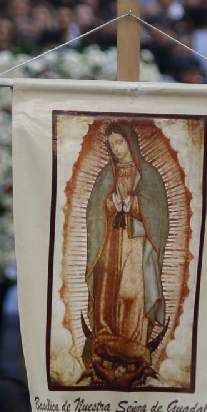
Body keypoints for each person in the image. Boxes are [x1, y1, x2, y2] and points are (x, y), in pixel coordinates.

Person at [84, 123, 169, 387]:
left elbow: (159, 213)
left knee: (131, 293)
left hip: (136, 243)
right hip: (110, 242)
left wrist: (134, 205)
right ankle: (106, 339)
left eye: (119, 143)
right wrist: (110, 204)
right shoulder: (106, 174)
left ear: (130, 143)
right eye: (111, 145)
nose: (115, 149)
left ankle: (132, 344)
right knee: (108, 291)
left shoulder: (148, 175)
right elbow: (93, 210)